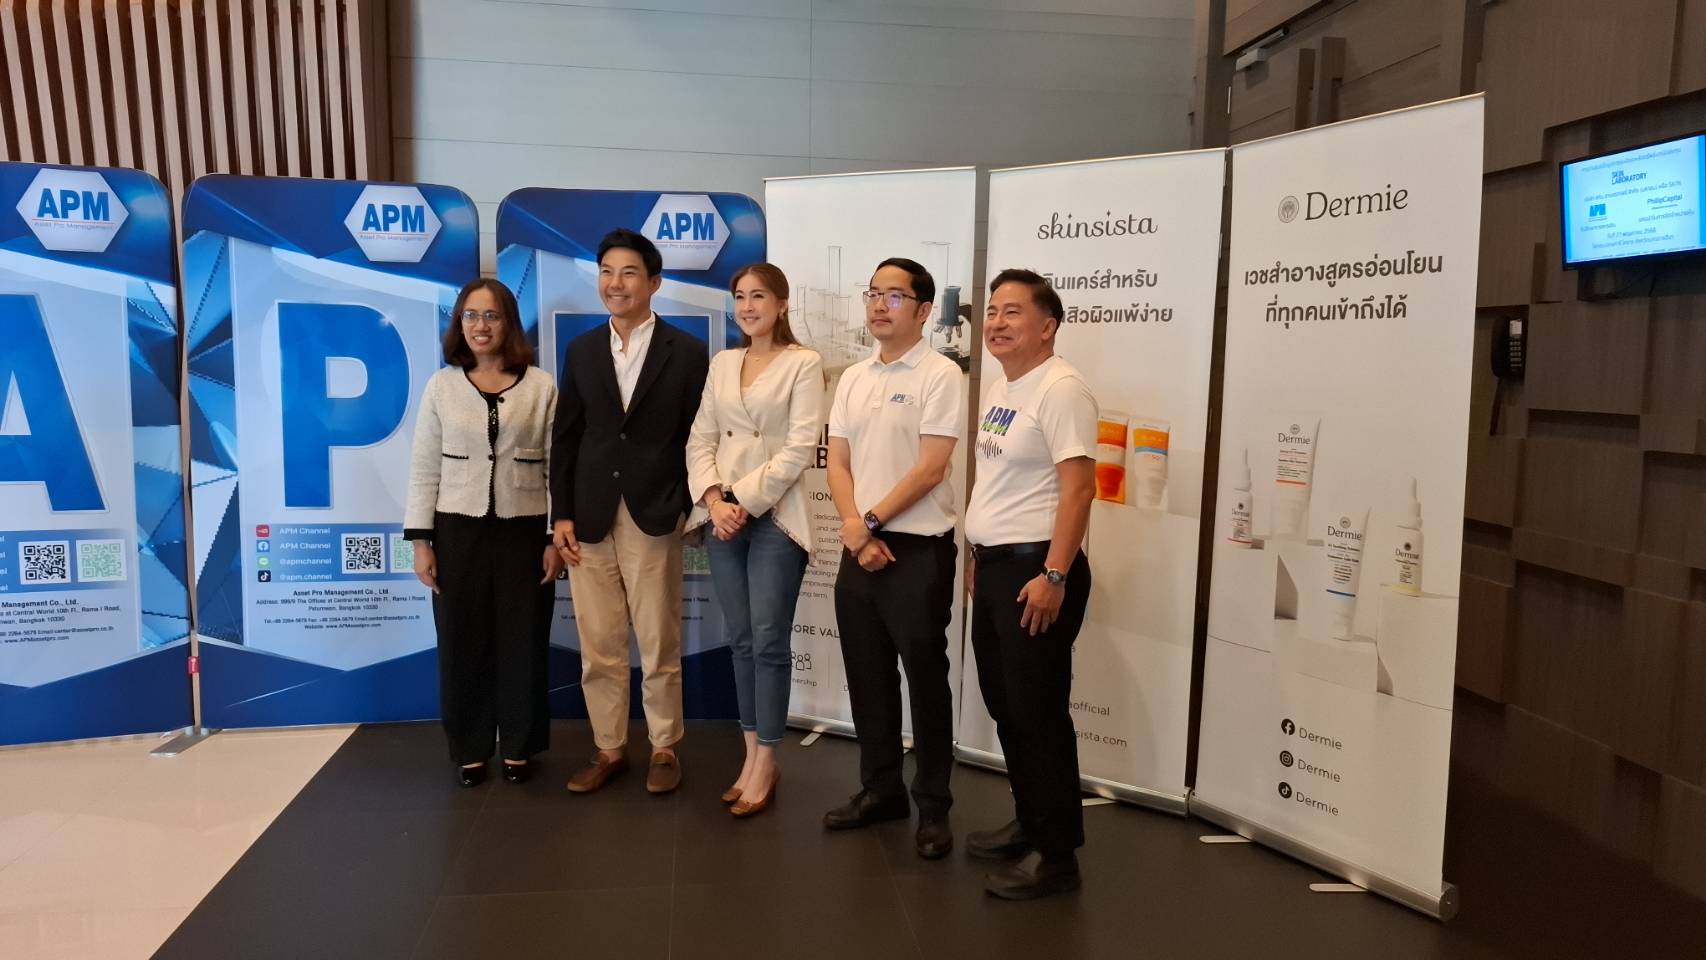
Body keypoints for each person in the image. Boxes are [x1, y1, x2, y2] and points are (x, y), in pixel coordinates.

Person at [551, 229, 709, 795]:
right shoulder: (582, 350)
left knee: (659, 641)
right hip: (589, 515)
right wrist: (561, 514)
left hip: (654, 512)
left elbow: (699, 436)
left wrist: (684, 505)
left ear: (654, 283)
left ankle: (664, 746)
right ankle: (609, 747)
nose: (615, 283)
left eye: (628, 273)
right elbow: (567, 437)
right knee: (599, 643)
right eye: (606, 272)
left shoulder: (686, 352)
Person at [821, 257, 963, 860]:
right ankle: (880, 790)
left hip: (917, 549)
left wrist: (870, 523)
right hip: (859, 543)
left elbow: (931, 469)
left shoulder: (940, 374)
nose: (880, 305)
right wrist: (857, 532)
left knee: (925, 680)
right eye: (873, 293)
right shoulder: (854, 377)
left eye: (895, 296)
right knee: (867, 674)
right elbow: (837, 461)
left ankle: (933, 806)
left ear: (924, 310)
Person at [963, 269, 1097, 899]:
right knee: (1005, 705)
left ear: (1048, 327)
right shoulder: (1003, 385)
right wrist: (978, 553)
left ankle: (1057, 855)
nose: (996, 322)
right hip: (998, 567)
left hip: (1038, 572)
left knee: (1037, 712)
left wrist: (1054, 574)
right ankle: (1031, 819)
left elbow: (1080, 490)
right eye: (992, 311)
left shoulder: (1062, 389)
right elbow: (999, 483)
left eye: (1012, 312)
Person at [404, 278, 562, 787]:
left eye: (491, 315)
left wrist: (552, 539)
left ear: (508, 323)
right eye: (470, 315)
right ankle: (469, 748)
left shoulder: (541, 386)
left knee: (524, 640)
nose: (480, 325)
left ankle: (519, 745)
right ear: (459, 323)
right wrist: (422, 541)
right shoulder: (441, 386)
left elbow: (557, 467)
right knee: (460, 641)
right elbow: (424, 467)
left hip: (524, 530)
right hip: (457, 530)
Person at [685, 262, 823, 818]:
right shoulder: (722, 362)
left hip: (776, 516)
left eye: (759, 296)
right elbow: (700, 438)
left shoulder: (803, 363)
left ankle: (767, 759)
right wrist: (714, 500)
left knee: (768, 639)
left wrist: (741, 500)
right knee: (740, 639)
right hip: (723, 516)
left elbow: (799, 448)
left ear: (782, 304)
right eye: (739, 296)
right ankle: (749, 757)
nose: (747, 306)